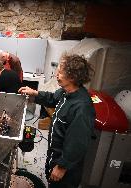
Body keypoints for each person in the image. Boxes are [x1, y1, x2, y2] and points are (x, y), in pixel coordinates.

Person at [19, 53, 95, 188]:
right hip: (55, 155)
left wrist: (62, 167)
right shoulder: (66, 92)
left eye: (60, 72)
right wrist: (34, 93)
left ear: (73, 77)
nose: (56, 75)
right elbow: (52, 98)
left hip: (67, 168)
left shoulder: (82, 107)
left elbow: (77, 143)